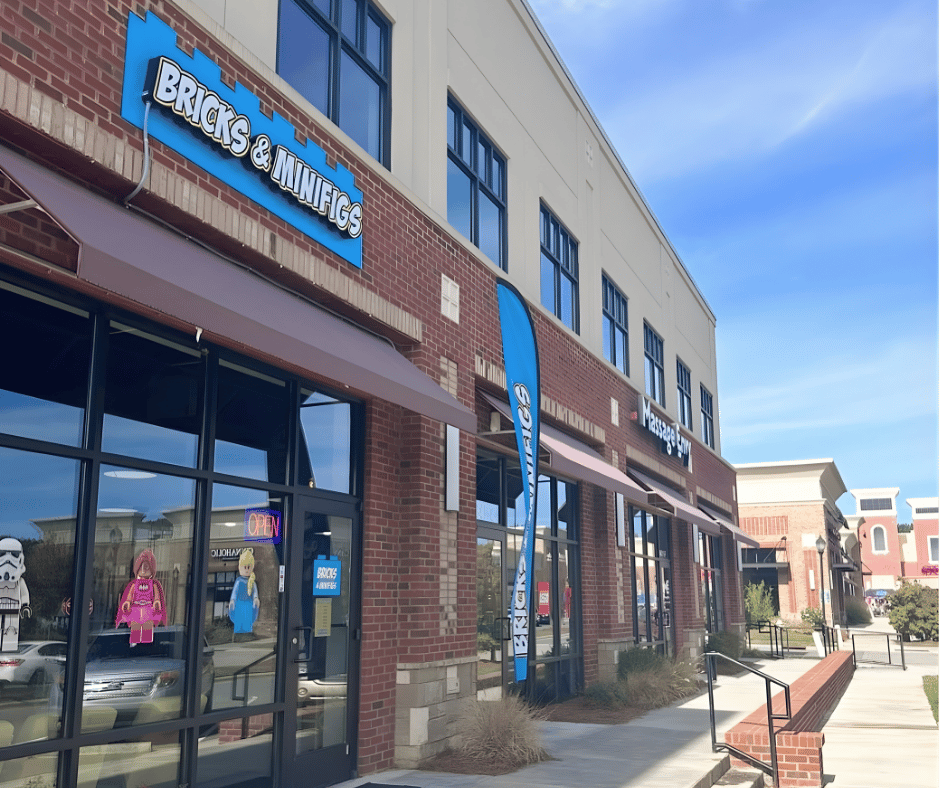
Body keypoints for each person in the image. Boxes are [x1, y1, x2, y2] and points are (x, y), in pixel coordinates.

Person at [115, 549, 166, 645]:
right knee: (135, 627)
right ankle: (134, 642)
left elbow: (157, 596)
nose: (143, 570)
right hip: (136, 609)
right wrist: (128, 601)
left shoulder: (153, 584)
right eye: (140, 567)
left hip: (147, 608)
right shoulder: (134, 585)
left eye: (146, 567)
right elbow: (130, 595)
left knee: (147, 626)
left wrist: (156, 601)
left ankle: (146, 644)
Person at [229, 548, 260, 634]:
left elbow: (254, 593)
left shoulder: (252, 581)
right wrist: (233, 600)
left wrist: (255, 599)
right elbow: (235, 592)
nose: (246, 569)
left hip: (248, 604)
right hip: (240, 603)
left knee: (247, 618)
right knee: (239, 618)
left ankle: (247, 632)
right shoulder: (238, 581)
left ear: (252, 567)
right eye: (244, 567)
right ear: (239, 567)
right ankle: (240, 631)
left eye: (248, 567)